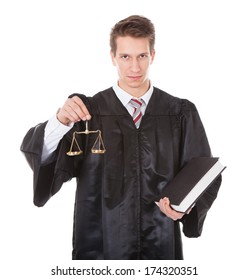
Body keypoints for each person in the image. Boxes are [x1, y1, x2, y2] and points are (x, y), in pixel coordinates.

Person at [21, 15, 222, 260]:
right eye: (125, 57)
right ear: (112, 57)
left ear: (153, 56)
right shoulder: (88, 113)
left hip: (160, 246)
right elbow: (47, 160)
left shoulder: (179, 113)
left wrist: (187, 208)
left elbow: (202, 175)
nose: (134, 67)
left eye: (142, 56)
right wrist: (60, 122)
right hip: (99, 248)